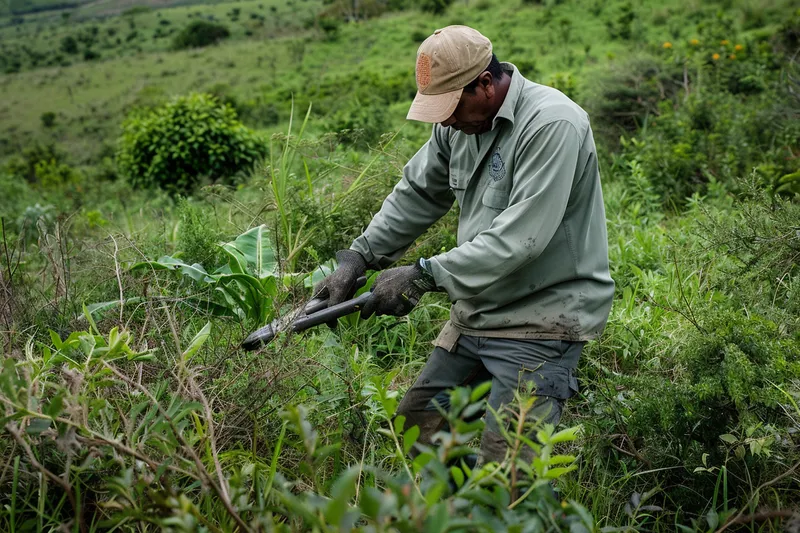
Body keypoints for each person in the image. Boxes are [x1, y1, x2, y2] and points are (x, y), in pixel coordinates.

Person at [314, 25, 615, 463]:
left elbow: (520, 238)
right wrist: (357, 258)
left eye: (452, 107)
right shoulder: (457, 127)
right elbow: (417, 193)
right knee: (414, 433)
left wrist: (422, 275)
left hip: (542, 320)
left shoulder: (552, 123)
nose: (446, 120)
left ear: (487, 84)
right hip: (476, 312)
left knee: (511, 467)